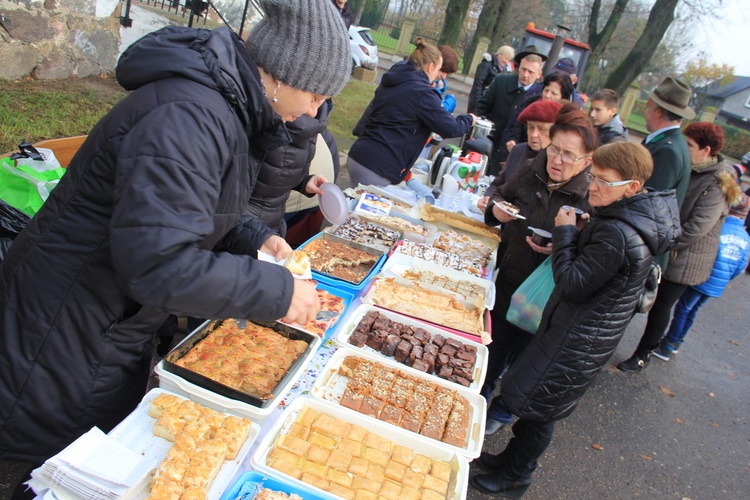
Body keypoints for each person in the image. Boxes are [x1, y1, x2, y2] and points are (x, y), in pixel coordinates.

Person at [0, 0, 351, 468]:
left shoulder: (222, 109)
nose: (316, 109)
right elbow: (157, 263)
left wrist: (252, 236)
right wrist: (276, 290)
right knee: (56, 470)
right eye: (315, 96)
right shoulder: (188, 116)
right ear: (284, 74)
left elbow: (187, 207)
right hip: (63, 330)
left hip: (109, 327)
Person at [471, 141, 681, 497]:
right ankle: (508, 460)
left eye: (604, 182)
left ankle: (516, 478)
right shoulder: (625, 217)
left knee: (540, 412)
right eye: (594, 177)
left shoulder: (619, 232)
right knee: (536, 403)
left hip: (579, 338)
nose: (593, 187)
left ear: (632, 187)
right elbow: (594, 271)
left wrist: (567, 232)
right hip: (583, 333)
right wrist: (574, 238)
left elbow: (571, 284)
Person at [481, 103, 595, 434]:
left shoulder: (591, 197)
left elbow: (592, 259)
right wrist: (496, 210)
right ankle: (478, 399)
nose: (557, 160)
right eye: (554, 149)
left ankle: (502, 410)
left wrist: (562, 245)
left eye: (568, 155)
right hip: (510, 284)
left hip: (548, 302)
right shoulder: (532, 168)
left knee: (525, 366)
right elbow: (500, 195)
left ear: (586, 161)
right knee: (493, 351)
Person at [618, 122, 735, 372]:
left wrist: (660, 238)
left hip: (685, 259)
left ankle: (643, 354)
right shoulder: (691, 168)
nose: (685, 148)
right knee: (638, 297)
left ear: (706, 150)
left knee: (660, 306)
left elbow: (696, 228)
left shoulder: (716, 185)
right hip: (667, 247)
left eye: (690, 145)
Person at [347, 38, 476, 187]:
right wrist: (469, 119)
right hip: (378, 166)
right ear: (430, 66)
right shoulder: (423, 92)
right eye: (439, 69)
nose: (441, 76)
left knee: (353, 203)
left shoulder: (398, 79)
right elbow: (451, 128)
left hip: (360, 155)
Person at [653, 193, 750, 361]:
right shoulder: (745, 238)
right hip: (717, 283)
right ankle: (678, 341)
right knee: (693, 310)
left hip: (704, 278)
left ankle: (668, 344)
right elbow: (741, 265)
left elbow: (710, 254)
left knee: (683, 309)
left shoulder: (721, 230)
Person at [474, 45, 547, 176]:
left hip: (516, 155)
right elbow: (481, 107)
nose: (525, 75)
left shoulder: (541, 95)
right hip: (488, 145)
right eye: (523, 69)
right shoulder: (501, 81)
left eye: (531, 72)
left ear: (539, 74)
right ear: (518, 68)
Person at [479, 99, 562, 205]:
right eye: (531, 128)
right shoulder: (518, 150)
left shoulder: (557, 162)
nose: (534, 135)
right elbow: (499, 182)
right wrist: (488, 196)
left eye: (541, 129)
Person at [501, 72, 575, 155]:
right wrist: (513, 141)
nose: (547, 95)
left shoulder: (565, 116)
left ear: (563, 97)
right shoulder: (530, 104)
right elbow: (517, 128)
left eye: (553, 93)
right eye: (546, 90)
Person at [468, 45, 515, 113]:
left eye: (508, 60)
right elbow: (478, 84)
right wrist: (477, 104)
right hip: (479, 102)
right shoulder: (486, 64)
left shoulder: (505, 70)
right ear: (500, 54)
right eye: (506, 58)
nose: (507, 62)